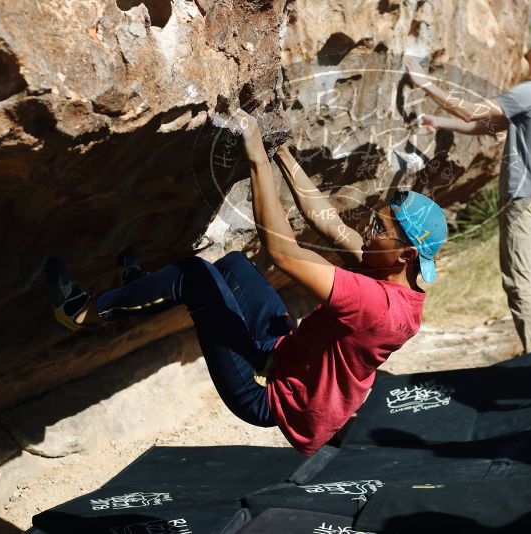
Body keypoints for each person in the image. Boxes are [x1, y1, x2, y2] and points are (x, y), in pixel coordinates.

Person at [45, 109, 447, 455]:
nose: (368, 228)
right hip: (284, 356)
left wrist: (256, 159)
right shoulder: (394, 277)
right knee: (235, 266)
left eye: (379, 227)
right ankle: (141, 288)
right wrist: (281, 153)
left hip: (271, 401)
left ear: (406, 254)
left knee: (196, 275)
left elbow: (284, 253)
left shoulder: (377, 306)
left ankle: (83, 313)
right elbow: (328, 222)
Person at [404, 25, 531, 354]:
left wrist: (425, 83)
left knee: (518, 280)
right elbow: (486, 125)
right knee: (527, 276)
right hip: (530, 198)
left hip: (522, 202)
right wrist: (438, 122)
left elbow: (471, 109)